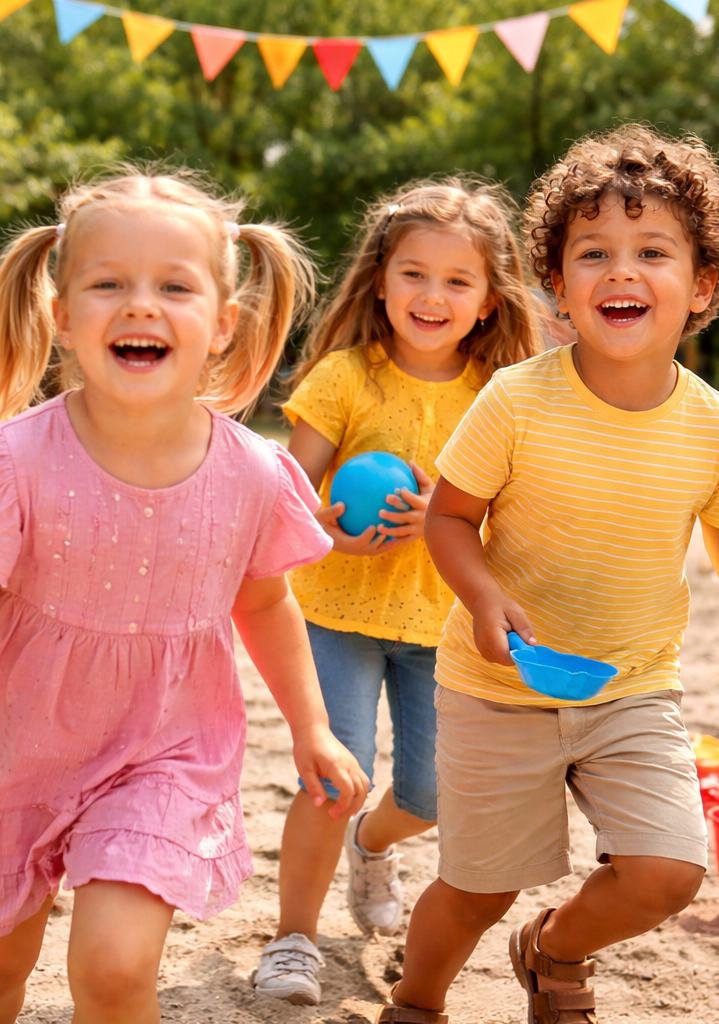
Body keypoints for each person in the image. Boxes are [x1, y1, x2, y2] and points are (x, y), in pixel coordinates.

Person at [0, 167, 369, 1024]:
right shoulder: (17, 464)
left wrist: (311, 728)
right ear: (61, 314)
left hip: (163, 750)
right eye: (107, 284)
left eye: (174, 286)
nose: (140, 306)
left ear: (222, 323)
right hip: (17, 745)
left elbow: (266, 601)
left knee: (116, 970)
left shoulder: (249, 472)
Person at [375, 125, 719, 1024]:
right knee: (479, 890)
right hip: (496, 684)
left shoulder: (709, 426)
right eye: (592, 253)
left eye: (652, 252)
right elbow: (449, 515)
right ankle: (416, 1001)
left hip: (633, 686)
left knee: (666, 873)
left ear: (702, 286)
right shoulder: (518, 398)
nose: (620, 271)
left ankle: (555, 949)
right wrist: (483, 595)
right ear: (558, 285)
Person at [253, 177, 542, 1006]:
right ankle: (293, 940)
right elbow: (291, 491)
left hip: (438, 622)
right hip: (336, 615)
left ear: (489, 300)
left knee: (430, 793)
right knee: (331, 776)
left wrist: (446, 522)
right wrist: (328, 525)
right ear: (380, 281)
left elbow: (512, 510)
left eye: (458, 280)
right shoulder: (345, 377)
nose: (431, 295)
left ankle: (373, 847)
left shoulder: (503, 394)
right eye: (413, 273)